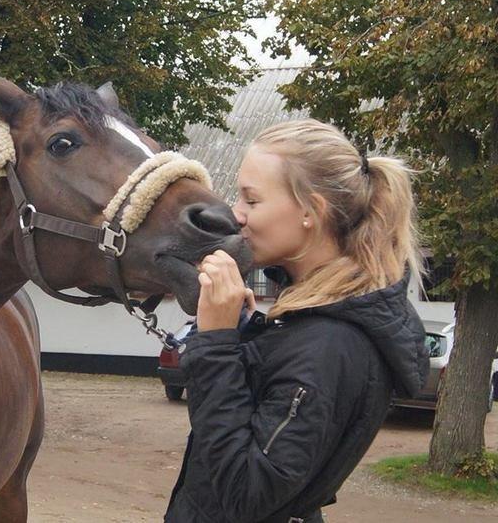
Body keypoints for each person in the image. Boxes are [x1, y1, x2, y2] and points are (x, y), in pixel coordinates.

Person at [164, 119, 429, 523]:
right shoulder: (308, 324)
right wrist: (240, 330)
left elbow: (246, 492)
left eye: (251, 201)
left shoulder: (330, 345)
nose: (236, 215)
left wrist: (217, 342)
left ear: (311, 211)